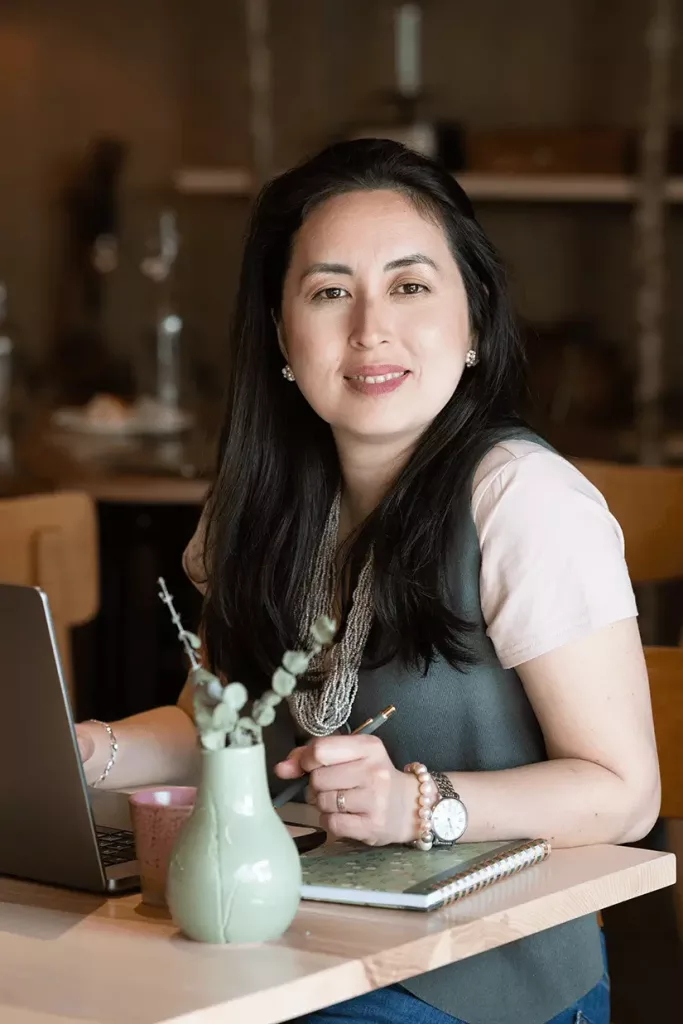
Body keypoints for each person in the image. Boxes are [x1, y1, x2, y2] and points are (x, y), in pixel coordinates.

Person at [76, 138, 660, 1024]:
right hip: (277, 948)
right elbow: (220, 729)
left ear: (473, 318)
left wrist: (419, 803)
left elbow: (625, 792)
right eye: (329, 291)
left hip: (468, 976)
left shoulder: (520, 498)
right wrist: (95, 752)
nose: (369, 328)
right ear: (280, 333)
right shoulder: (257, 504)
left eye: (411, 286)